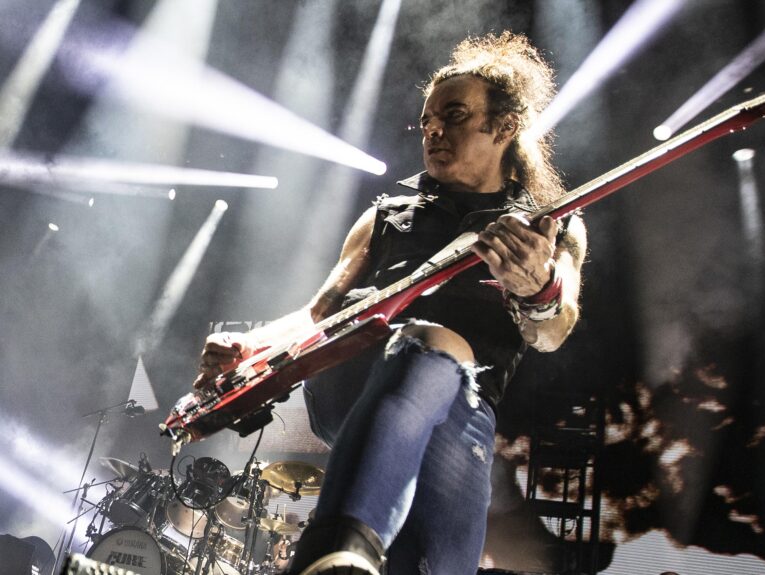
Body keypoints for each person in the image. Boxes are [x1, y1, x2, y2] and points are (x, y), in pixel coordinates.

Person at [193, 32, 587, 575]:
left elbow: (554, 331)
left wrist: (538, 289)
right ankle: (337, 551)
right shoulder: (384, 216)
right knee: (428, 342)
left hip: (463, 415)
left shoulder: (553, 226)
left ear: (504, 126)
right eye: (426, 122)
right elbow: (317, 315)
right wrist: (249, 346)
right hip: (356, 379)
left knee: (438, 563)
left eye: (453, 116)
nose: (433, 131)